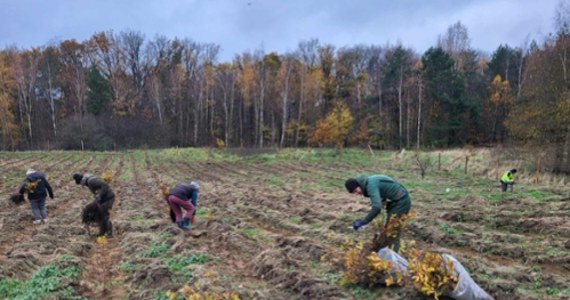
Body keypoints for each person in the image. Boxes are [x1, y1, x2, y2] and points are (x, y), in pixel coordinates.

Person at [345, 174, 412, 252]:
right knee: (388, 230)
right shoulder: (370, 180)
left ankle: (393, 259)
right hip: (396, 201)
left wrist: (364, 221)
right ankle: (384, 253)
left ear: (359, 185)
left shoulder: (371, 185)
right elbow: (386, 187)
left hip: (401, 202)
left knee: (393, 232)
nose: (357, 193)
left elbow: (377, 207)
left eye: (356, 191)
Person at [73, 173, 115, 237]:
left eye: (81, 183)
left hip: (108, 198)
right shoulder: (89, 181)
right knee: (100, 214)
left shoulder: (91, 181)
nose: (82, 185)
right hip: (103, 199)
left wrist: (100, 196)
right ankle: (102, 232)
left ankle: (109, 233)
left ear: (82, 180)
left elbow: (105, 185)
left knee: (105, 215)